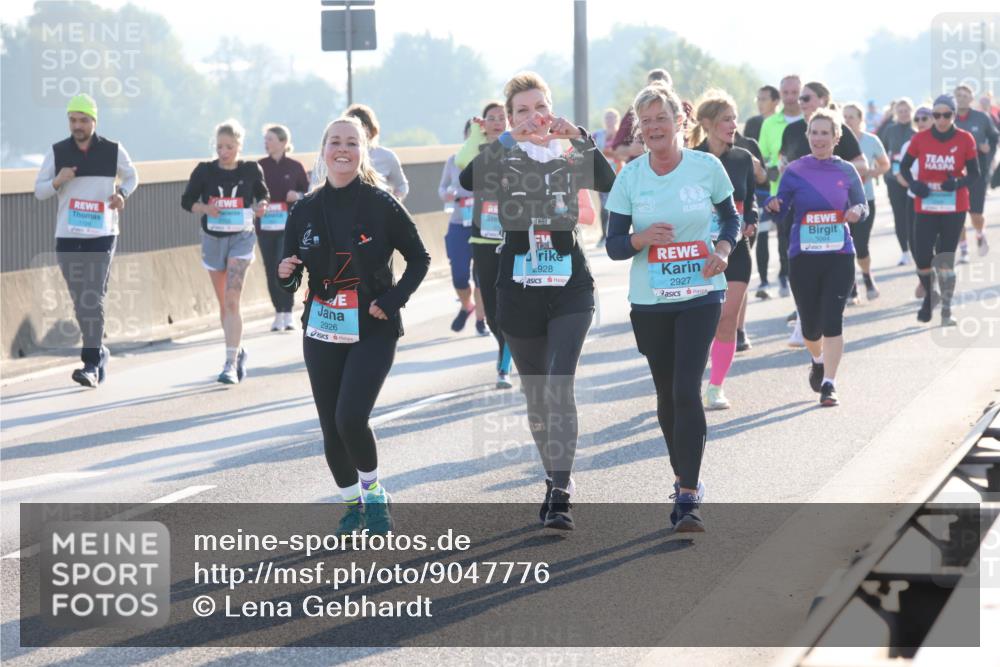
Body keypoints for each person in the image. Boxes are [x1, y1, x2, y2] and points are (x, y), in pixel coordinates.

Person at [460, 72, 616, 530]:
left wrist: (581, 137)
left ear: (552, 109)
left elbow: (607, 180)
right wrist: (507, 138)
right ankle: (551, 478)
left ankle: (563, 490)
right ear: (510, 119)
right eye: (522, 111)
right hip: (518, 283)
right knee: (536, 395)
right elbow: (471, 178)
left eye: (539, 107)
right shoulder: (505, 155)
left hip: (570, 284)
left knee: (559, 383)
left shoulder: (569, 153)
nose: (534, 118)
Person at [277, 116, 430, 535]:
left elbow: (420, 259)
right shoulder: (305, 209)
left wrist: (393, 299)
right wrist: (286, 272)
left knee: (350, 418)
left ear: (363, 151)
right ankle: (351, 505)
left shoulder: (381, 204)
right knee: (330, 424)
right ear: (323, 150)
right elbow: (290, 274)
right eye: (335, 142)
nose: (342, 150)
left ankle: (374, 494)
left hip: (372, 326)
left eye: (351, 143)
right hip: (322, 329)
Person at [606, 83, 739, 532]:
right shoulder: (630, 176)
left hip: (701, 292)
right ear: (640, 131)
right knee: (666, 394)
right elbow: (614, 246)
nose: (654, 128)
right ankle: (682, 474)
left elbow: (732, 217)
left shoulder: (707, 167)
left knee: (686, 388)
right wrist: (641, 240)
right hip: (650, 301)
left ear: (679, 121)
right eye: (646, 123)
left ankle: (688, 495)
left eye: (661, 119)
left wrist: (722, 247)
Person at [34, 94, 138, 388]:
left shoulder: (113, 150)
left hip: (102, 233)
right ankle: (100, 351)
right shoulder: (57, 152)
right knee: (82, 300)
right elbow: (39, 191)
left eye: (83, 120)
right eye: (72, 120)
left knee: (92, 296)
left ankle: (90, 363)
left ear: (94, 120)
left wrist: (122, 195)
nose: (77, 125)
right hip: (68, 235)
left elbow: (132, 177)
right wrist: (58, 180)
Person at [766, 109, 868, 407]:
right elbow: (782, 209)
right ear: (807, 136)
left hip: (839, 255)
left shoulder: (847, 170)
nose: (819, 138)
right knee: (810, 326)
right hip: (804, 256)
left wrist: (857, 213)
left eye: (825, 133)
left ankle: (829, 384)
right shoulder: (795, 171)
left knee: (832, 320)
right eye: (814, 132)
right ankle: (818, 358)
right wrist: (775, 204)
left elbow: (862, 205)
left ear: (836, 138)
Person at [181, 119, 269, 384]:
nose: (224, 152)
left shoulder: (252, 170)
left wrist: (261, 207)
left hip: (241, 238)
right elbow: (187, 202)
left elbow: (262, 196)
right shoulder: (204, 171)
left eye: (229, 146)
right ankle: (238, 350)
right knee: (223, 305)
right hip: (213, 239)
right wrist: (206, 209)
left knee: (232, 300)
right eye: (219, 146)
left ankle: (229, 363)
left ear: (239, 145)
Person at [688, 90, 759, 410]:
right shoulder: (692, 160)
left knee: (727, 319)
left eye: (735, 118)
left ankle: (715, 387)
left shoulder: (743, 158)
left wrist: (752, 218)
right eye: (726, 119)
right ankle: (688, 379)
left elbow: (750, 198)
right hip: (699, 250)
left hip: (737, 248)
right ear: (707, 123)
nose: (733, 125)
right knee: (703, 320)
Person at [898, 94, 981, 326]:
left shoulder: (965, 139)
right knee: (922, 256)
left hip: (954, 207)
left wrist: (957, 182)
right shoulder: (921, 139)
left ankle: (946, 308)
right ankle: (928, 294)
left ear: (954, 115)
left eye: (947, 115)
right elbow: (903, 167)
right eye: (937, 115)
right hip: (925, 205)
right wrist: (914, 184)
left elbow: (975, 174)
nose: (941, 119)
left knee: (945, 258)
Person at [455, 101, 516, 389]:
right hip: (483, 237)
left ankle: (504, 366)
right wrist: (477, 135)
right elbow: (461, 161)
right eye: (490, 118)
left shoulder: (518, 148)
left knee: (510, 305)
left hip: (513, 236)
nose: (496, 122)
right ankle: (506, 345)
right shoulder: (479, 152)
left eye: (502, 117)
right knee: (491, 310)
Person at [258, 124, 309, 332]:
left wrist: (296, 196)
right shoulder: (259, 167)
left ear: (283, 142)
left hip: (288, 227)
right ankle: (278, 312)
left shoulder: (295, 167)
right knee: (270, 270)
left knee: (285, 267)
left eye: (270, 139)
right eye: (265, 139)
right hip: (265, 226)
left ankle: (288, 312)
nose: (266, 143)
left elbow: (309, 194)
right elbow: (251, 193)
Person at [757, 75, 804, 299]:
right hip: (780, 192)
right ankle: (786, 275)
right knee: (785, 239)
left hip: (809, 192)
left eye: (795, 93)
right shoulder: (769, 123)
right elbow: (764, 156)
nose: (791, 97)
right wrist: (772, 168)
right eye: (786, 93)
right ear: (780, 94)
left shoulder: (810, 120)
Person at [439, 120, 487, 334]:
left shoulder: (490, 159)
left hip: (485, 222)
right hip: (459, 222)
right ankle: (467, 306)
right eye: (470, 134)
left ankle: (480, 320)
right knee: (459, 276)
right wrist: (447, 194)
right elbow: (442, 188)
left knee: (481, 277)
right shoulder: (453, 160)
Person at [843, 102, 891, 302]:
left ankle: (867, 276)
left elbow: (885, 164)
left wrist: (871, 172)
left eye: (851, 117)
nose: (847, 121)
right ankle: (851, 287)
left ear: (860, 119)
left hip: (865, 199)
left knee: (861, 245)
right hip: (841, 202)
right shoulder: (837, 141)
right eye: (844, 117)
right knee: (845, 246)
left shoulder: (871, 141)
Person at [954, 84, 999, 259]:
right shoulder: (949, 118)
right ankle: (963, 248)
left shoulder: (982, 117)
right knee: (957, 213)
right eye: (958, 95)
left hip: (978, 170)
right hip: (955, 172)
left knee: (975, 213)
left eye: (965, 95)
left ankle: (980, 233)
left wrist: (988, 152)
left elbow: (994, 137)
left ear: (971, 99)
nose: (961, 98)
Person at [611, 68, 673, 164]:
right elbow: (616, 149)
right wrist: (630, 150)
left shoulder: (682, 109)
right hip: (642, 171)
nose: (654, 126)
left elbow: (697, 141)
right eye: (646, 120)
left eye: (661, 118)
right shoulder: (635, 111)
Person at [882, 99, 917, 265]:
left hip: (914, 179)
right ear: (896, 113)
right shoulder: (890, 130)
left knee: (915, 215)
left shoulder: (917, 129)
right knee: (899, 216)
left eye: (906, 111)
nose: (904, 114)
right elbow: (886, 153)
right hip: (894, 179)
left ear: (912, 111)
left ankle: (918, 247)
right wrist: (896, 174)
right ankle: (904, 251)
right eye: (900, 111)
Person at [593, 108, 622, 245]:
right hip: (603, 175)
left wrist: (608, 153)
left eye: (612, 117)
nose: (610, 121)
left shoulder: (622, 135)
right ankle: (604, 235)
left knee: (618, 205)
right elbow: (590, 149)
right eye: (607, 118)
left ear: (617, 119)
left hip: (620, 174)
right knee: (605, 205)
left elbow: (624, 153)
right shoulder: (598, 135)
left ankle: (618, 233)